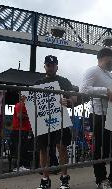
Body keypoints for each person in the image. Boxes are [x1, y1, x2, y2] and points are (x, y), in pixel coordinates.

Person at [80, 48, 112, 189]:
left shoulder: (110, 75)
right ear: (106, 57)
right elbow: (83, 90)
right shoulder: (92, 71)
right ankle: (101, 181)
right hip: (98, 115)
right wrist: (104, 91)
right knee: (101, 149)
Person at [36, 55, 77, 189]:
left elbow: (74, 99)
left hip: (60, 119)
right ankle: (45, 180)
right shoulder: (38, 83)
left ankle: (64, 178)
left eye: (53, 65)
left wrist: (69, 101)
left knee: (62, 147)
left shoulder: (64, 81)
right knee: (43, 150)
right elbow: (30, 100)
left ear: (57, 66)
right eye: (48, 65)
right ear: (44, 66)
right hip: (43, 121)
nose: (51, 67)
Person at [11, 95, 32, 171]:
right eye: (25, 97)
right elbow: (19, 115)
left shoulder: (25, 106)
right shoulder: (20, 105)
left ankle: (21, 165)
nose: (27, 98)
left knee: (22, 148)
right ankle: (18, 166)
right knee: (20, 148)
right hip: (19, 130)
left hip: (23, 130)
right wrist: (30, 116)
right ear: (21, 97)